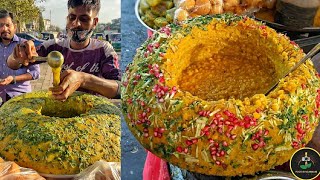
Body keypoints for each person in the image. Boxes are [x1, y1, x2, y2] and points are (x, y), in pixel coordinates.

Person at [7, 0, 120, 100]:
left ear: (94, 22)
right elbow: (13, 64)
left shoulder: (103, 49)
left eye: (84, 19)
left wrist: (84, 79)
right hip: (61, 111)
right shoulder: (54, 46)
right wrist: (17, 55)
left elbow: (119, 89)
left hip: (92, 115)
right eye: (72, 17)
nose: (76, 24)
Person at [0, 9, 40, 106]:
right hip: (2, 98)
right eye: (1, 25)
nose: (5, 29)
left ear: (15, 27)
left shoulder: (24, 46)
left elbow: (35, 73)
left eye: (8, 25)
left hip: (21, 98)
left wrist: (14, 78)